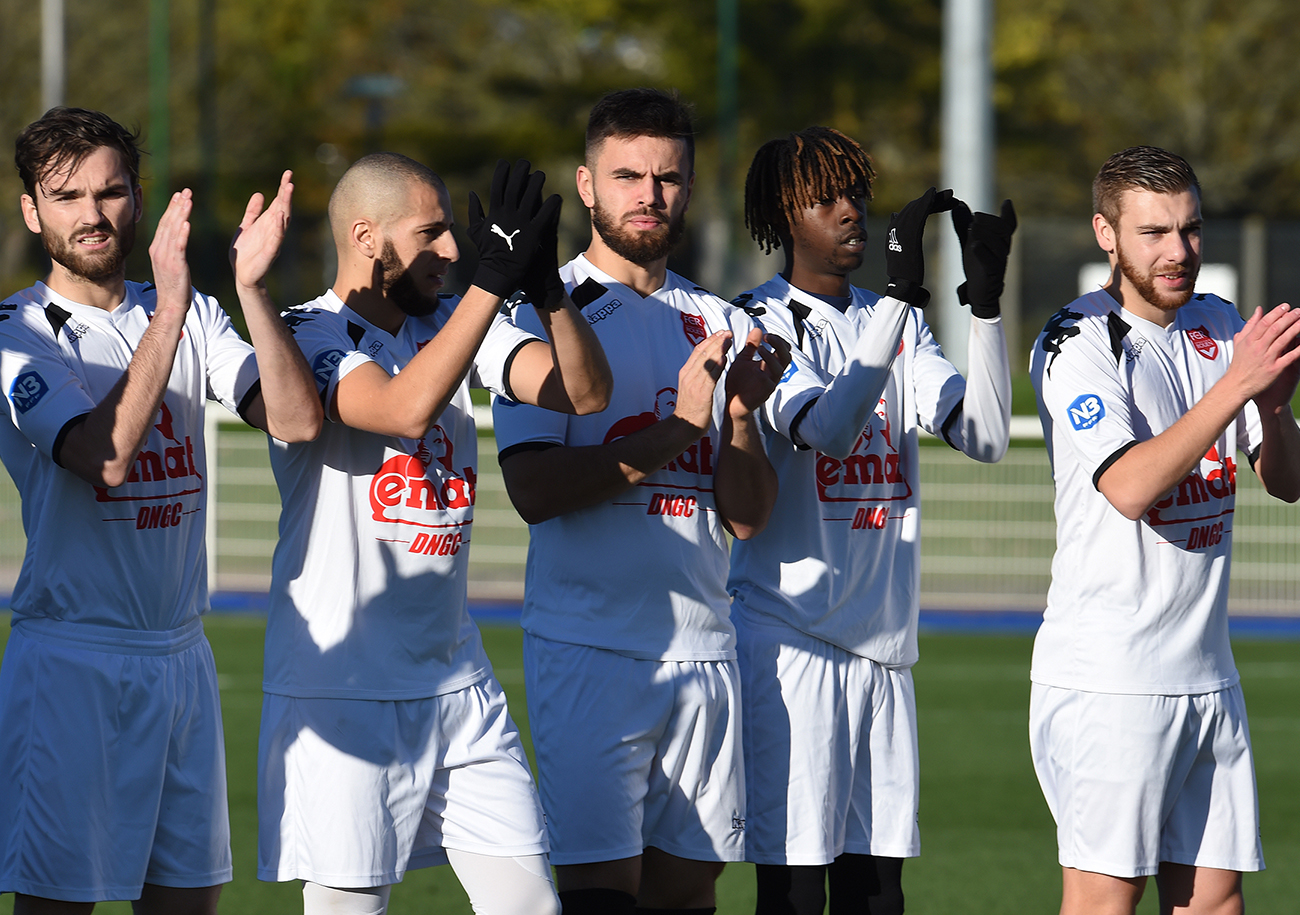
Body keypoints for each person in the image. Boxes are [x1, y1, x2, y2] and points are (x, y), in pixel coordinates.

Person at [256, 152, 612, 915]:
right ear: (366, 236)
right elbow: (400, 410)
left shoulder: (451, 320)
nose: (453, 250)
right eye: (433, 232)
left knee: (531, 907)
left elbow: (585, 393)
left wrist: (545, 288)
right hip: (344, 691)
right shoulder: (308, 332)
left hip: (459, 684)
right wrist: (490, 280)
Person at [0, 107, 322, 913]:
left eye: (109, 192)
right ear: (32, 212)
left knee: (187, 901)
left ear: (137, 199)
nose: (93, 214)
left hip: (181, 658)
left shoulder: (195, 311)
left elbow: (295, 418)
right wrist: (172, 309)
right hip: (73, 659)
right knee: (59, 904)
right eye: (67, 196)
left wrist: (247, 289)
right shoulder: (19, 333)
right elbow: (101, 457)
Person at [490, 87, 786, 915]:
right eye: (626, 175)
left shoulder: (719, 318)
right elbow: (536, 491)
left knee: (690, 894)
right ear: (587, 186)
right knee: (599, 894)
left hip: (706, 649)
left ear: (689, 187)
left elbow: (748, 517)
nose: (648, 195)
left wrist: (733, 420)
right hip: (590, 649)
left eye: (666, 177)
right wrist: (674, 429)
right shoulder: (540, 314)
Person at [726, 126, 1014, 915]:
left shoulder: (898, 321)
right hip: (789, 643)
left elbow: (984, 436)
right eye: (827, 198)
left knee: (877, 893)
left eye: (857, 193)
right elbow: (827, 429)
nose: (852, 211)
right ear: (787, 215)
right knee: (790, 892)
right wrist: (898, 303)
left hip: (883, 651)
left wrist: (984, 308)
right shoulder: (757, 320)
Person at [1028, 145, 1300, 915]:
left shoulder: (1216, 325)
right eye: (1153, 232)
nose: (1178, 251)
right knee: (1103, 903)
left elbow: (1286, 481)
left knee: (1215, 903)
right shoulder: (1075, 340)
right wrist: (1237, 386)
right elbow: (1132, 485)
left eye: (1190, 228)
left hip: (1207, 672)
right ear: (1105, 235)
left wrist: (1273, 407)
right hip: (1111, 681)